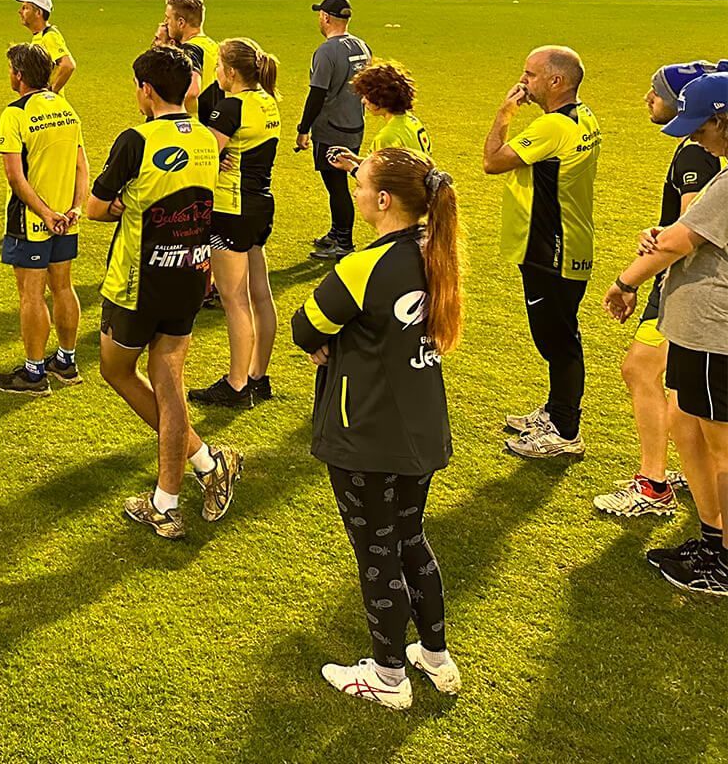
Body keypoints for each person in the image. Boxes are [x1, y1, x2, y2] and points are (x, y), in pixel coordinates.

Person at [295, 148, 463, 708]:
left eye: (361, 184)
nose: (357, 191)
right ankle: (435, 657)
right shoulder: (433, 249)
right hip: (419, 427)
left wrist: (332, 343)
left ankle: (389, 677)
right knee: (411, 538)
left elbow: (304, 326)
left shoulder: (362, 266)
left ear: (383, 200)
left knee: (377, 550)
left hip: (366, 434)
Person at [87, 46, 241, 539]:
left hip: (138, 280)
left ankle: (189, 476)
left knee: (118, 370)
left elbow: (94, 207)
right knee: (169, 379)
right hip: (190, 272)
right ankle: (182, 483)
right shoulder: (204, 136)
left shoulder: (135, 139)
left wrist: (121, 208)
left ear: (147, 90)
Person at [604, 71, 728, 596]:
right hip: (699, 330)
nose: (695, 140)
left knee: (722, 446)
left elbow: (680, 240)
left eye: (701, 129)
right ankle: (712, 538)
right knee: (693, 429)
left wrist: (624, 281)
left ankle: (723, 561)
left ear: (723, 121)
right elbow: (684, 234)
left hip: (714, 333)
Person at [487, 46, 602, 459]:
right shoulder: (583, 116)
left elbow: (492, 161)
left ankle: (566, 432)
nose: (523, 82)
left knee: (559, 341)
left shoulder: (554, 127)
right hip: (570, 241)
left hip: (550, 248)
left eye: (530, 75)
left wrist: (504, 115)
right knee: (561, 335)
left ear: (556, 82)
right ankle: (556, 413)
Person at [0, 43, 90, 395]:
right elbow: (82, 167)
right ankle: (66, 361)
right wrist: (75, 208)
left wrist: (44, 214)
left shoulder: (14, 114)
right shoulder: (66, 107)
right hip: (67, 217)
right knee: (63, 287)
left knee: (31, 294)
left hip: (33, 220)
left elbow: (15, 177)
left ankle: (34, 374)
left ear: (18, 75)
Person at [191, 39, 282, 409]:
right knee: (261, 293)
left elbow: (202, 154)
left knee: (234, 300)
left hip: (231, 209)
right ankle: (258, 377)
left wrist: (217, 151)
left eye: (217, 67)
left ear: (230, 72)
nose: (215, 73)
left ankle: (236, 384)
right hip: (260, 206)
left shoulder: (231, 106)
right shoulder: (268, 101)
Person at [297, 0, 371, 259]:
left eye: (320, 14)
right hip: (354, 125)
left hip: (331, 129)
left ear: (326, 18)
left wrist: (303, 129)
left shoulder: (326, 52)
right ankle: (336, 231)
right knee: (337, 183)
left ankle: (344, 242)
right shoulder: (362, 46)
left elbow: (317, 94)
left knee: (336, 185)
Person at [327, 62, 433, 165]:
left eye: (366, 96)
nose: (363, 101)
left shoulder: (386, 138)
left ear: (380, 99)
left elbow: (377, 179)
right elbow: (394, 166)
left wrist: (350, 167)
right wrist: (356, 160)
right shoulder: (412, 121)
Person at [158, 0, 220, 105]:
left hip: (195, 120)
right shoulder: (213, 46)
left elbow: (192, 91)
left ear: (181, 22)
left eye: (168, 18)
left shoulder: (189, 50)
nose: (166, 23)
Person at [14, 0, 75, 91]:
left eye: (25, 8)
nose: (20, 11)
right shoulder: (41, 35)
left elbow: (68, 65)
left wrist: (51, 91)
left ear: (39, 13)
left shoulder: (49, 36)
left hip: (46, 103)